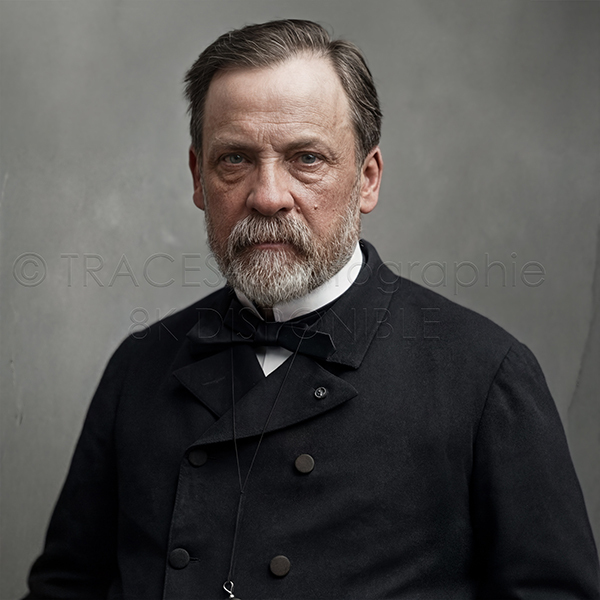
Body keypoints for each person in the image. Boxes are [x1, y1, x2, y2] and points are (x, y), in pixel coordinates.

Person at [25, 19, 600, 600]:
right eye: (235, 159)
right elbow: (66, 590)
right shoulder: (139, 366)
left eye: (306, 158)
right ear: (199, 178)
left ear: (367, 179)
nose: (268, 196)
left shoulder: (485, 375)